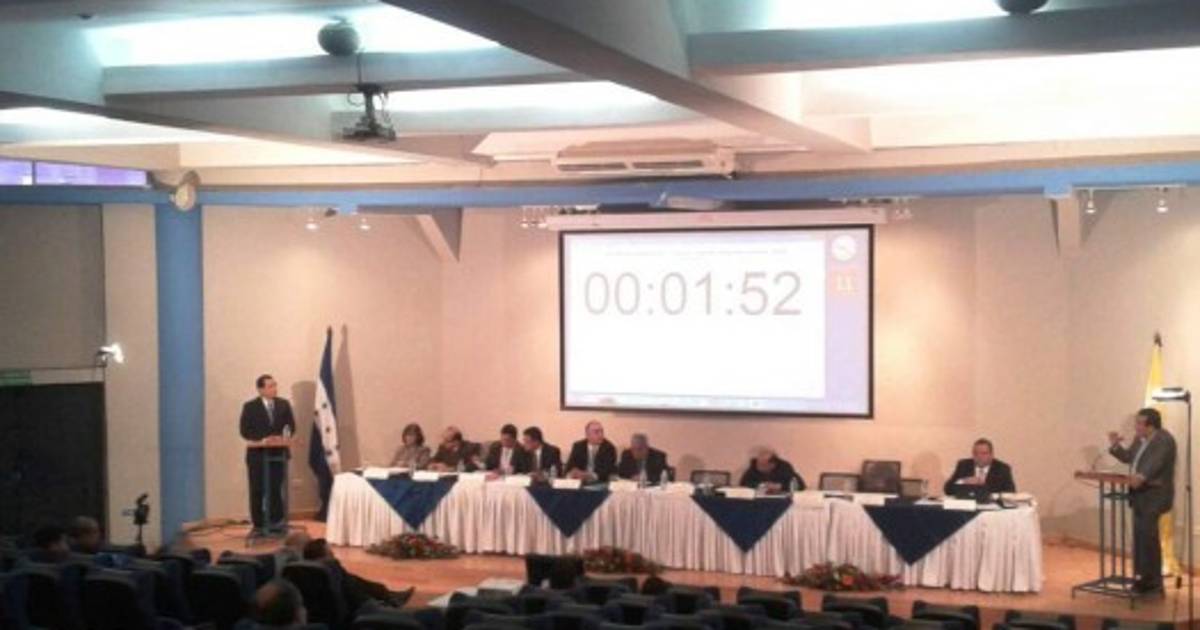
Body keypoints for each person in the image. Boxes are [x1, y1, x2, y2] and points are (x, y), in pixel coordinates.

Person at [1109, 407, 1177, 594]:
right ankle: (1142, 578)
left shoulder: (1164, 440)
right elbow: (1129, 457)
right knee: (1141, 538)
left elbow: (1155, 464)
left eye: (1139, 423)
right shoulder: (1140, 439)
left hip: (1154, 496)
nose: (1136, 426)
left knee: (1148, 539)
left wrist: (1141, 476)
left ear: (1151, 425)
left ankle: (1152, 583)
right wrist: (1115, 446)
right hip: (1140, 495)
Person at [239, 374, 296, 532]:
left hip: (279, 454)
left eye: (275, 385)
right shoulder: (250, 407)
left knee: (275, 488)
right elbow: (244, 430)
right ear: (260, 389)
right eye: (270, 386)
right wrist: (264, 439)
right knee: (257, 489)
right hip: (258, 455)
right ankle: (258, 524)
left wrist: (281, 437)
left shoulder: (284, 404)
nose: (274, 389)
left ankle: (277, 522)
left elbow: (291, 426)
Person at [303, 538, 414, 611]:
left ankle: (391, 597)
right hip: (356, 609)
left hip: (357, 598)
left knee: (362, 583)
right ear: (321, 557)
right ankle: (390, 600)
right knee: (362, 585)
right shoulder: (331, 571)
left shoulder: (306, 572)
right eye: (330, 553)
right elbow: (353, 594)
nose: (334, 556)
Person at [943, 438, 1016, 495]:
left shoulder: (1002, 469)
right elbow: (947, 490)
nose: (979, 457)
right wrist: (963, 481)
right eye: (976, 453)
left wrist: (985, 489)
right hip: (968, 507)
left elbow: (1010, 492)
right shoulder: (963, 465)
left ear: (991, 455)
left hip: (991, 507)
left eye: (984, 453)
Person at [739, 448, 805, 493]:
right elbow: (743, 484)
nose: (758, 467)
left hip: (780, 501)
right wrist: (761, 485)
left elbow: (800, 485)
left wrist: (779, 486)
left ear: (772, 464)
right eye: (758, 463)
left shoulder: (784, 467)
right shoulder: (754, 468)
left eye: (763, 465)